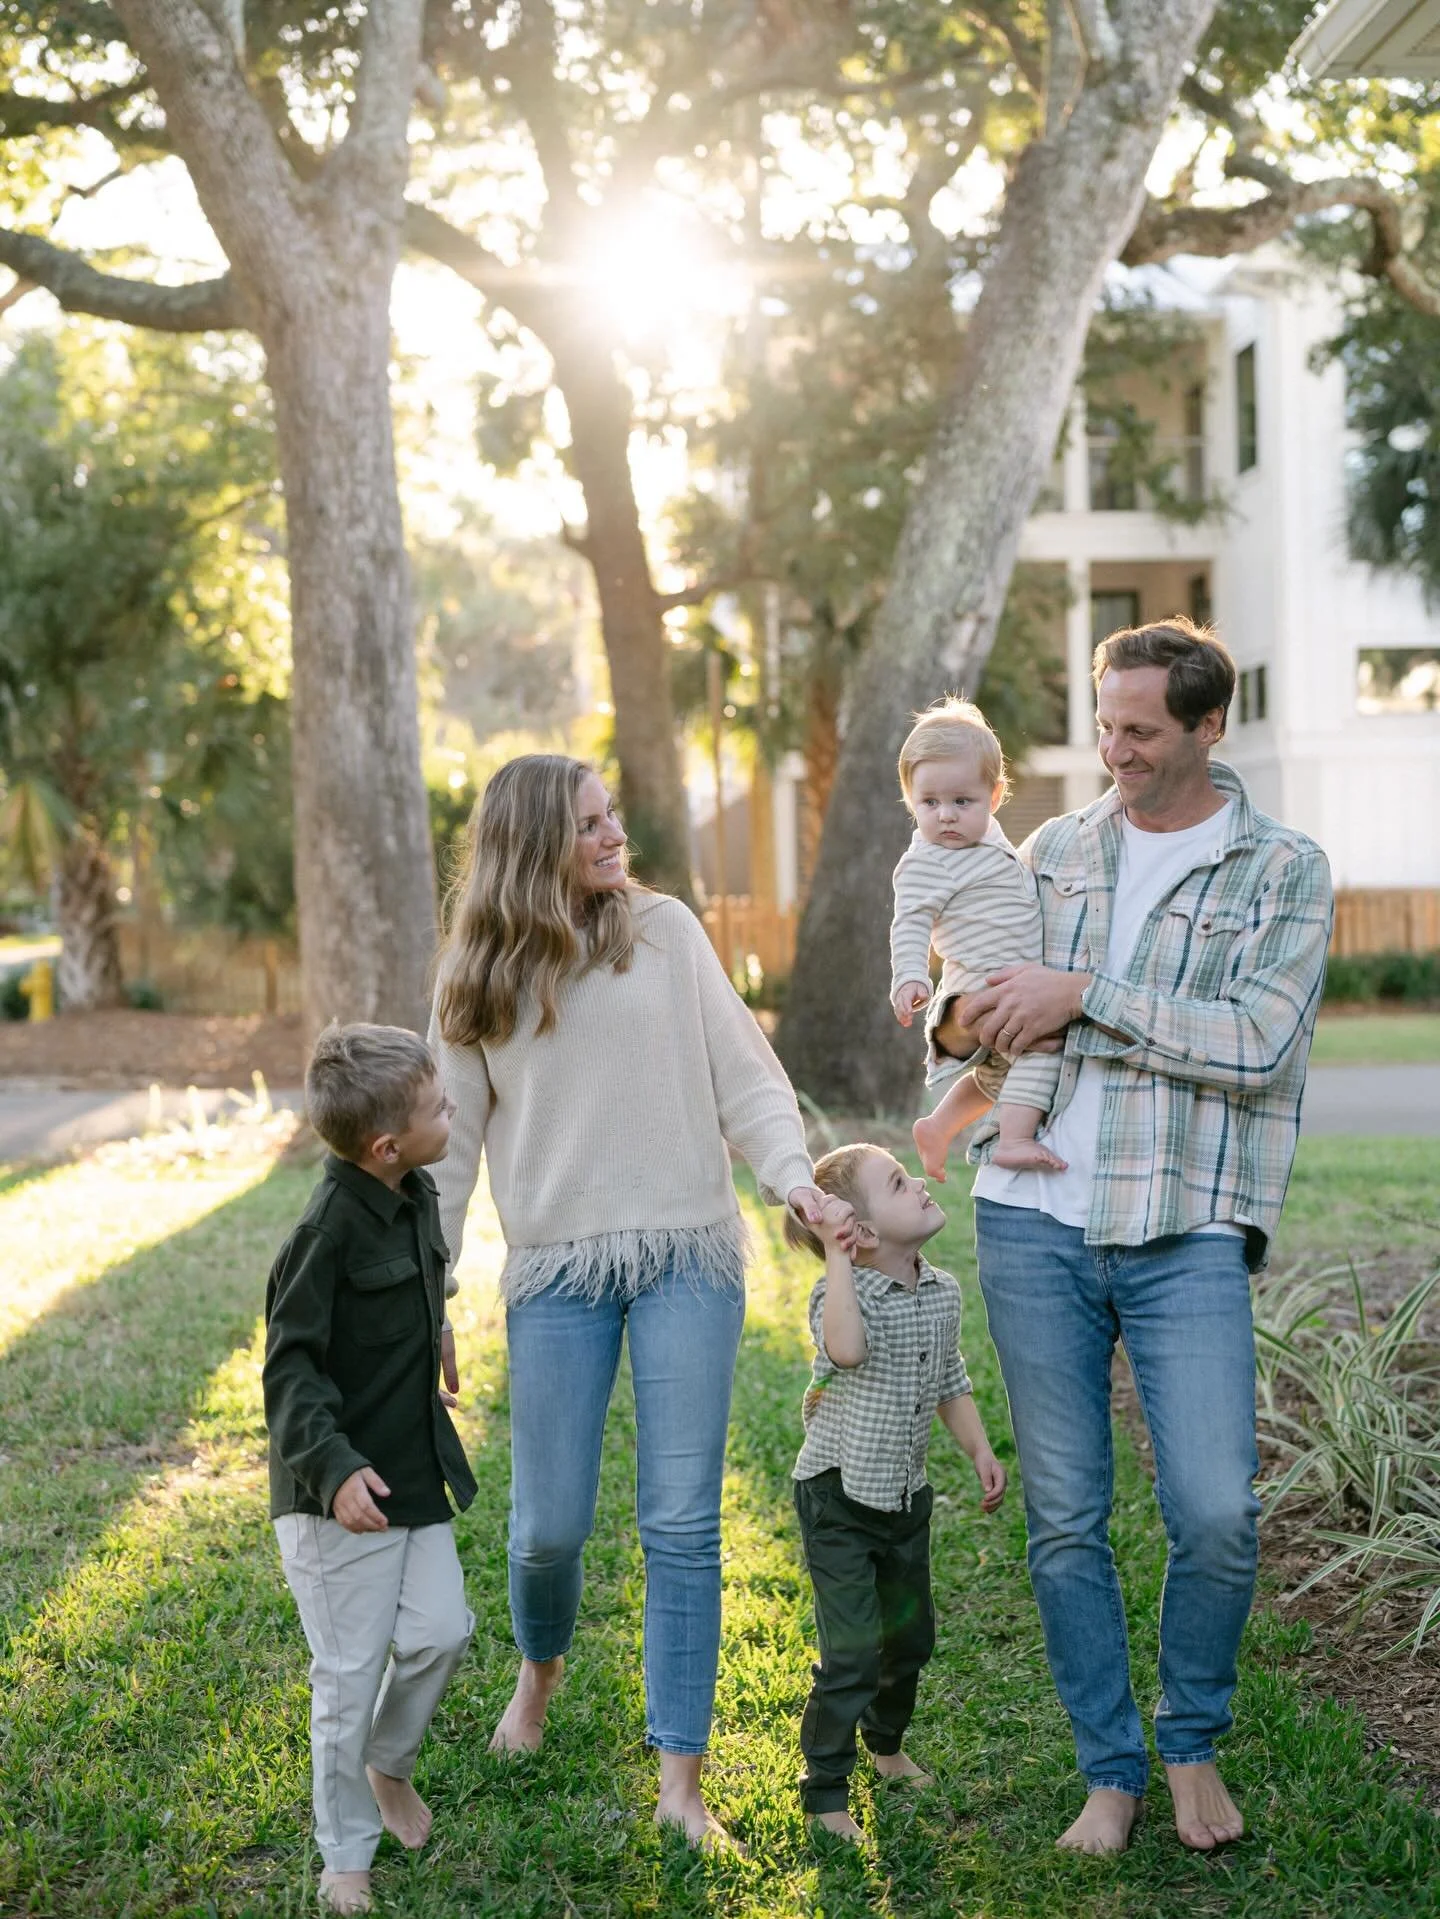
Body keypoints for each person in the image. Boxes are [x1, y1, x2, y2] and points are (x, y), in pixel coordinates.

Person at [953, 618, 1333, 1856]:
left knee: (1216, 1509)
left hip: (1187, 1224)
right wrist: (964, 1021)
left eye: (1141, 730)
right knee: (1066, 1516)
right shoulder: (1054, 850)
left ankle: (1191, 1739)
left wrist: (1087, 996)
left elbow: (1256, 1041)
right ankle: (1110, 1769)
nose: (1114, 749)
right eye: (1105, 723)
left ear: (1209, 725)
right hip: (1032, 1223)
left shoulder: (1284, 869)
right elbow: (982, 1020)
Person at [426, 753, 844, 1849]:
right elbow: (445, 1151)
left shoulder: (664, 931)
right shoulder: (477, 973)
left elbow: (746, 1074)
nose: (615, 835)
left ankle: (680, 1782)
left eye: (611, 815)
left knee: (682, 1522)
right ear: (531, 847)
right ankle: (540, 1668)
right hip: (556, 1272)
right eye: (589, 824)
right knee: (547, 1526)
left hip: (687, 1256)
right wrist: (430, 1291)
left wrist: (792, 1178)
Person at [263, 1023, 477, 1917]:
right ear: (386, 1144)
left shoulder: (415, 1190)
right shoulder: (323, 1234)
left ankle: (389, 1764)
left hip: (411, 1470)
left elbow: (419, 1282)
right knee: (348, 1677)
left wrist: (440, 1328)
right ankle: (345, 1852)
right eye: (437, 1106)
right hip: (337, 1497)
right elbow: (290, 1372)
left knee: (443, 1630)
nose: (451, 1108)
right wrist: (335, 1469)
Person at [785, 1143, 1007, 1842]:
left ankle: (886, 1747)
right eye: (898, 1182)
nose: (917, 1182)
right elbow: (847, 1351)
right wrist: (838, 1256)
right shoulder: (839, 1296)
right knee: (853, 1652)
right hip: (839, 1499)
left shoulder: (941, 1292)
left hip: (905, 1498)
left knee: (908, 1639)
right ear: (864, 1231)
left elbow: (950, 1379)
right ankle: (825, 1791)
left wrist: (978, 1448)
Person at [889, 698, 1065, 1183]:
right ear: (911, 800)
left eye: (961, 801)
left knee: (998, 1073)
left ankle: (939, 1126)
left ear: (995, 796)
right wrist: (909, 975)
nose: (945, 815)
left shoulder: (990, 839)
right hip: (979, 987)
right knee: (1043, 1048)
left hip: (1005, 980)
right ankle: (1013, 1140)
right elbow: (909, 922)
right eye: (929, 803)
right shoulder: (926, 861)